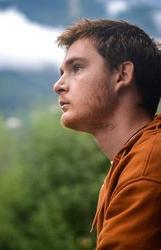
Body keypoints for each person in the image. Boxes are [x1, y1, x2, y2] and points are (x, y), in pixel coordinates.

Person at [53, 19, 161, 249]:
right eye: (62, 72)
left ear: (122, 74)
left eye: (77, 68)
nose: (58, 85)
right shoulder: (131, 160)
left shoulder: (148, 165)